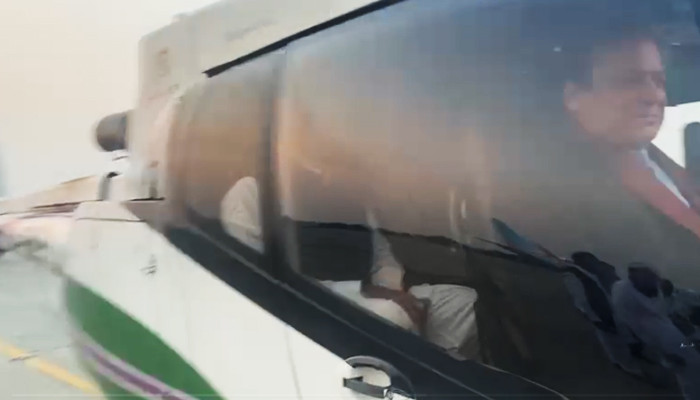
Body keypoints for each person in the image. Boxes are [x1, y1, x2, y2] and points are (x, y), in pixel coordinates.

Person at [220, 177, 480, 360]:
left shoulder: (349, 199)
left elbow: (383, 259)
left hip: (365, 299)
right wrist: (368, 292)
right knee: (392, 313)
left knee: (463, 301)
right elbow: (253, 276)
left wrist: (394, 293)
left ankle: (440, 367)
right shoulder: (253, 191)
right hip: (307, 302)